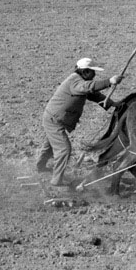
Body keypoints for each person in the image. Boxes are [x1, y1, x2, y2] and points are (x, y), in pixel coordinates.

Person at [36, 57, 123, 189]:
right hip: (54, 120)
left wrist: (112, 104)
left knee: (50, 146)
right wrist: (109, 82)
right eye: (92, 72)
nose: (94, 75)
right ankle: (56, 181)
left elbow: (94, 95)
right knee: (64, 149)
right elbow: (88, 87)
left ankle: (40, 167)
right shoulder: (75, 81)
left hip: (54, 118)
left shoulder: (80, 82)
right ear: (85, 72)